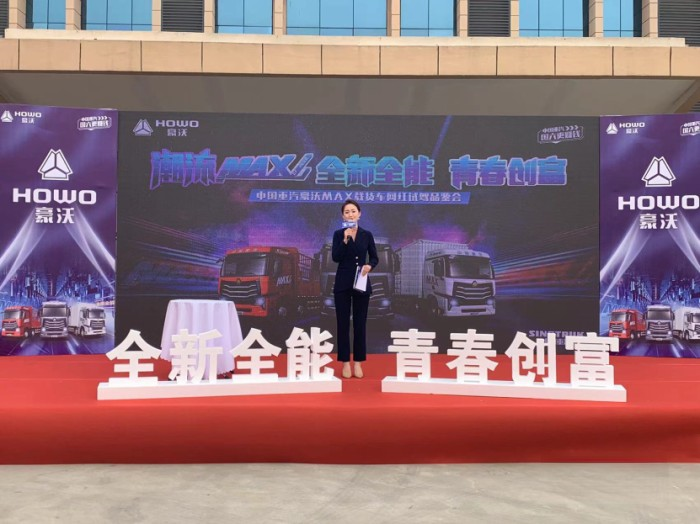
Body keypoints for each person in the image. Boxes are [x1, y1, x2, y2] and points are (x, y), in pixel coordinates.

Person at [332, 199, 378, 379]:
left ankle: (358, 362)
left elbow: (374, 257)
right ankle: (345, 362)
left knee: (360, 324)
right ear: (343, 216)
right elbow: (336, 257)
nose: (350, 214)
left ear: (359, 214)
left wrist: (369, 266)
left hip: (361, 282)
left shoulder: (367, 235)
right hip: (342, 283)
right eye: (347, 212)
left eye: (353, 211)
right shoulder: (338, 234)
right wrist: (345, 240)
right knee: (343, 324)